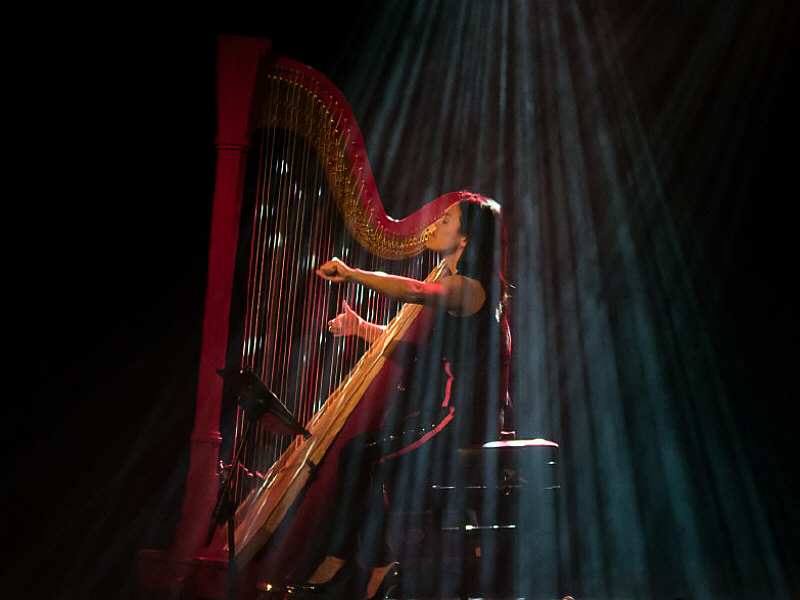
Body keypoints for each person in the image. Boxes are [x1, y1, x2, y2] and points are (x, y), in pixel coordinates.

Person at [281, 194, 510, 599]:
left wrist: (353, 273)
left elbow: (412, 290)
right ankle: (365, 561)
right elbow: (420, 355)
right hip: (445, 414)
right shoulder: (464, 287)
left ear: (465, 239)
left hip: (457, 419)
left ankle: (363, 560)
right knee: (361, 453)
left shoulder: (469, 289)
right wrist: (362, 328)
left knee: (364, 455)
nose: (434, 225)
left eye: (446, 221)